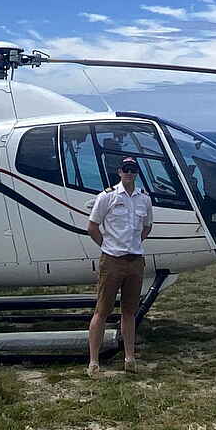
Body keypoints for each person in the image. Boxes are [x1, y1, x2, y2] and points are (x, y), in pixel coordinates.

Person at [87, 155, 154, 374]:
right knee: (102, 311)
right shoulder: (107, 197)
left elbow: (147, 227)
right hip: (112, 260)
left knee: (129, 312)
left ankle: (129, 358)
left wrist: (134, 244)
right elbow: (93, 227)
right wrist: (108, 246)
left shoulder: (144, 199)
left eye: (133, 169)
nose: (129, 172)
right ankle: (94, 362)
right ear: (119, 172)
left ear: (137, 172)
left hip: (135, 261)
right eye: (125, 168)